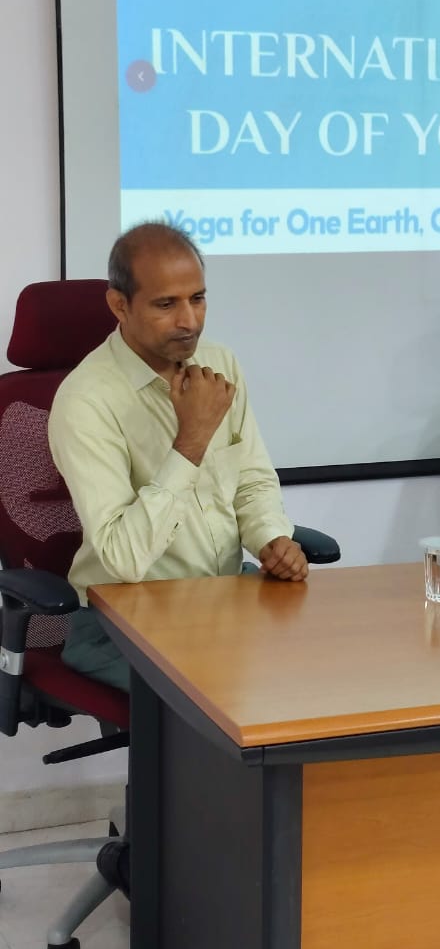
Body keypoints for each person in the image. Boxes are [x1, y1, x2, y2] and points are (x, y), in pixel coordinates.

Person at [48, 222, 308, 691]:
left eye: (198, 298)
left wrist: (270, 537)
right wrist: (192, 439)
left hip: (222, 599)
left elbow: (251, 477)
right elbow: (122, 559)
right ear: (119, 305)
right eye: (166, 304)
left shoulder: (220, 364)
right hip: (122, 618)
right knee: (218, 699)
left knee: (313, 673)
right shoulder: (85, 401)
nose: (189, 321)